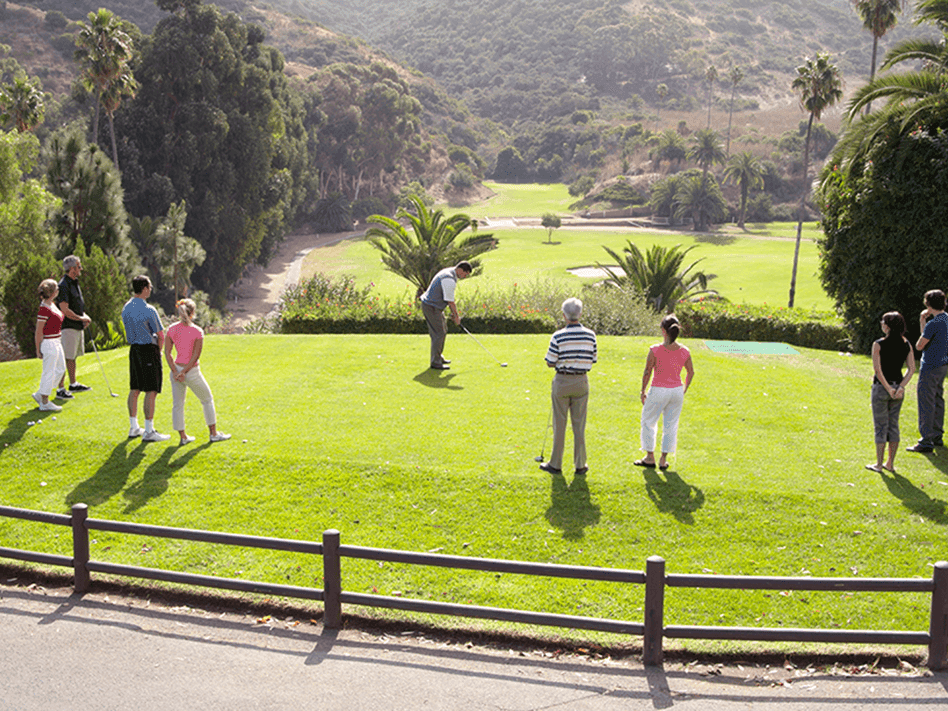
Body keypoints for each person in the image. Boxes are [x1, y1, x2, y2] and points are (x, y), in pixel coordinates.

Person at [539, 297, 597, 476]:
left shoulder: (558, 335)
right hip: (581, 381)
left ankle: (555, 463)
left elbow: (550, 362)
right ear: (580, 314)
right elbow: (593, 359)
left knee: (559, 424)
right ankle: (580, 464)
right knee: (579, 426)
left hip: (562, 381)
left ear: (564, 315)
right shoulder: (590, 335)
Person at [164, 298, 231, 445]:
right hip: (191, 372)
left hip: (177, 371)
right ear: (193, 313)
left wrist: (176, 372)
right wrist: (184, 372)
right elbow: (195, 356)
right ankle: (213, 434)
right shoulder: (197, 331)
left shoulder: (171, 329)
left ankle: (183, 437)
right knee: (207, 399)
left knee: (178, 404)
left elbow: (167, 353)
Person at [636, 314, 694, 471]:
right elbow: (690, 372)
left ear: (663, 331)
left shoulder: (655, 350)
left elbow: (647, 372)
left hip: (658, 390)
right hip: (676, 392)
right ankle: (663, 460)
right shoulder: (685, 351)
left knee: (648, 421)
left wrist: (642, 390)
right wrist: (684, 388)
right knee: (671, 425)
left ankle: (649, 457)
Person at [121, 275, 170, 442]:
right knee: (151, 390)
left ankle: (134, 427)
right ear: (144, 288)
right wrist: (160, 352)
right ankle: (149, 431)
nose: (150, 289)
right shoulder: (149, 309)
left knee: (135, 388)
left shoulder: (126, 308)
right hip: (149, 350)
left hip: (134, 350)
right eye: (149, 287)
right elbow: (161, 335)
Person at [866, 312, 915, 473]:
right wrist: (900, 387)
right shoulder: (906, 344)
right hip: (897, 389)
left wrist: (888, 388)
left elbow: (878, 370)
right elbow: (911, 369)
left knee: (880, 426)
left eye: (883, 322)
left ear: (887, 326)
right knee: (893, 425)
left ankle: (879, 465)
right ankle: (890, 464)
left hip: (882, 388)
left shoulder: (878, 344)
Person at [908, 289, 948, 453]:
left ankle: (926, 441)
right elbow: (926, 336)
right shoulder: (945, 320)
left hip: (930, 365)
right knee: (938, 398)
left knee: (926, 401)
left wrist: (924, 321)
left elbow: (919, 345)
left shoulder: (934, 324)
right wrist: (923, 320)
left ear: (928, 304)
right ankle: (937, 435)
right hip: (943, 364)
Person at [419, 261, 472, 370]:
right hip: (431, 306)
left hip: (434, 306)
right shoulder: (449, 279)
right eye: (465, 274)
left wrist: (454, 315)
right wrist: (456, 316)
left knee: (442, 330)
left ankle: (438, 356)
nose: (465, 277)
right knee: (439, 333)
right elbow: (450, 301)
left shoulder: (450, 272)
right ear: (460, 270)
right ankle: (435, 362)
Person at [56, 255, 92, 399]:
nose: (81, 268)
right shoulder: (63, 285)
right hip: (68, 327)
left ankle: (73, 384)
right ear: (72, 269)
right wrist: (80, 318)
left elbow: (76, 305)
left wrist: (84, 316)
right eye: (78, 266)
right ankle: (60, 389)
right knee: (65, 357)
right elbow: (64, 309)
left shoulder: (74, 282)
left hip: (76, 326)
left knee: (73, 357)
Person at [32, 279, 67, 413]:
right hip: (49, 343)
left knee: (60, 369)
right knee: (49, 371)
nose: (59, 290)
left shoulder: (51, 304)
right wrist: (38, 349)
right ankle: (45, 402)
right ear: (53, 292)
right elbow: (39, 331)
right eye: (56, 288)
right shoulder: (44, 309)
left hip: (57, 341)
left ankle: (41, 394)